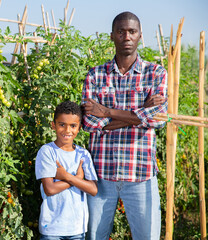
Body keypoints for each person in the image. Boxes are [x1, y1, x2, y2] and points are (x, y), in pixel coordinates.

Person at [81, 12, 168, 240]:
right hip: (101, 175)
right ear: (112, 36)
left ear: (140, 36)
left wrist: (108, 113)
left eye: (132, 31)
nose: (126, 36)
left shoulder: (155, 73)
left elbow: (157, 119)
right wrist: (140, 113)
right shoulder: (95, 75)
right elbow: (90, 123)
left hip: (140, 173)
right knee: (94, 237)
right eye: (121, 31)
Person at [35, 101, 98, 240]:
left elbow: (93, 189)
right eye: (62, 124)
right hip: (51, 228)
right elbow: (50, 189)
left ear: (79, 128)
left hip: (77, 228)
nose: (67, 130)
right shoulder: (47, 152)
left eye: (73, 126)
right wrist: (77, 178)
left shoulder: (83, 154)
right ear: (53, 125)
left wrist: (66, 176)